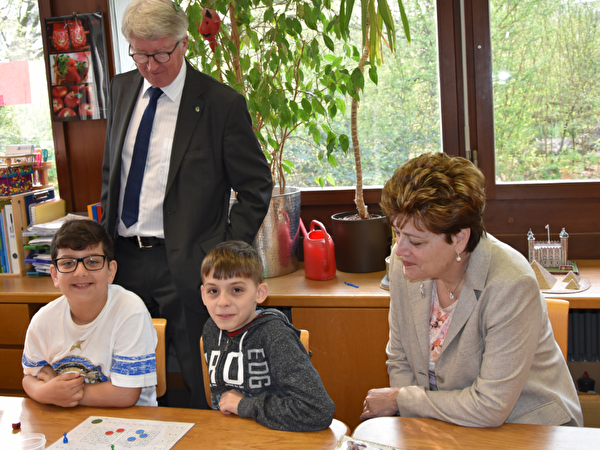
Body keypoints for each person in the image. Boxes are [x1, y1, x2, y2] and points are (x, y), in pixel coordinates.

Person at [100, 0, 273, 408]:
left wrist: (224, 251)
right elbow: (113, 171)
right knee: (123, 376)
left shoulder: (220, 104)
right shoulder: (121, 88)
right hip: (123, 258)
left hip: (192, 263)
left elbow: (255, 185)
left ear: (184, 44)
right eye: (140, 54)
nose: (151, 65)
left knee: (201, 381)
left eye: (161, 53)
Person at [361, 152, 583, 427]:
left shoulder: (511, 284)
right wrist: (414, 425)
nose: (401, 250)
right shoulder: (402, 264)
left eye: (416, 242)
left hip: (528, 426)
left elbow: (491, 406)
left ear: (460, 238)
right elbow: (400, 358)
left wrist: (401, 399)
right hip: (446, 423)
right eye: (397, 233)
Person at [200, 241, 335, 431]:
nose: (222, 302)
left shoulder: (275, 335)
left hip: (279, 437)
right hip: (232, 435)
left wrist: (244, 405)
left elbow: (318, 410)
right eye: (213, 291)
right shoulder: (211, 329)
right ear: (203, 295)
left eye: (236, 290)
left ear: (260, 293)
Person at [22, 219, 157, 408]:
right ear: (54, 275)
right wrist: (43, 392)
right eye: (68, 263)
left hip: (130, 423)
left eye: (92, 261)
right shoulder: (43, 320)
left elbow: (125, 395)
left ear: (111, 271)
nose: (80, 272)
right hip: (67, 423)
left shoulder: (130, 310)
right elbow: (30, 377)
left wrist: (61, 392)